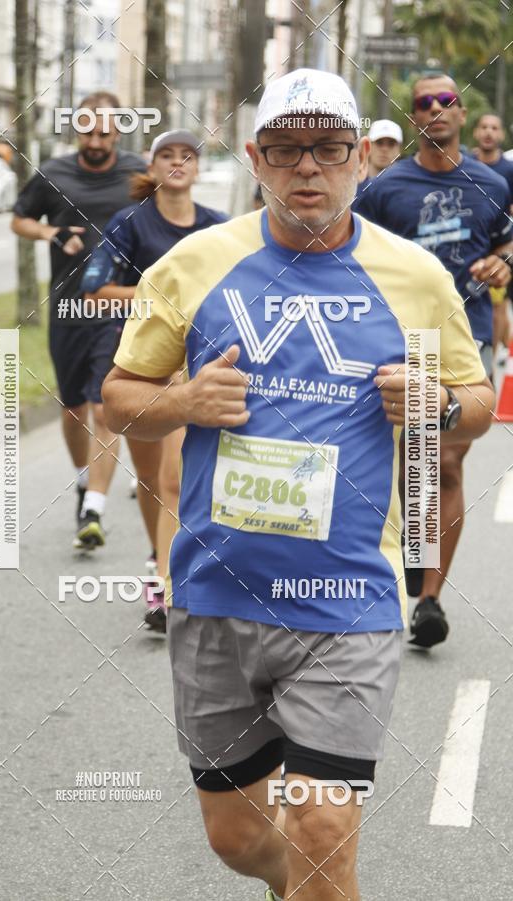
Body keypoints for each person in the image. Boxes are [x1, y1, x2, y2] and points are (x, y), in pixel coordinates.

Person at [103, 68, 493, 900]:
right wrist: (183, 400)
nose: (307, 167)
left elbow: (479, 405)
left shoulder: (417, 277)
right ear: (255, 158)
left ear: (359, 160)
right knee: (241, 837)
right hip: (215, 593)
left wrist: (437, 403)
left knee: (321, 831)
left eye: (328, 148)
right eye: (286, 149)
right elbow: (120, 400)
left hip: (348, 599)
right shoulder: (194, 263)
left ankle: (320, 878)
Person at [354, 73, 512, 648]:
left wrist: (504, 265)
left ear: (462, 114)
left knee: (442, 461)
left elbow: (505, 241)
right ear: (414, 115)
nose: (437, 110)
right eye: (425, 103)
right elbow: (350, 253)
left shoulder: (491, 181)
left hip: (465, 340)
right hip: (396, 342)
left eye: (447, 102)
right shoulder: (384, 188)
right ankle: (407, 557)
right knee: (400, 464)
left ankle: (429, 602)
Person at [80, 130, 228, 631]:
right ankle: (155, 558)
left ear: (198, 168)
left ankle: (165, 587)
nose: (177, 162)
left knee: (174, 478)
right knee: (149, 480)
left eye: (187, 155)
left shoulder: (218, 229)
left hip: (194, 367)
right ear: (153, 163)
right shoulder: (130, 223)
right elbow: (94, 290)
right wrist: (161, 305)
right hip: (142, 367)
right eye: (167, 154)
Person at [11, 91, 146, 550]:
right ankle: (83, 481)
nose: (96, 138)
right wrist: (49, 231)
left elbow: (163, 222)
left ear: (118, 132)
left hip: (118, 311)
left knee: (105, 405)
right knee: (72, 408)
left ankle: (94, 510)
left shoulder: (137, 173)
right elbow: (19, 219)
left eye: (105, 131)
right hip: (68, 308)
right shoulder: (55, 174)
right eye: (88, 129)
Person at [471, 113, 513, 360]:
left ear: (501, 135)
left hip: (498, 246)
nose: (488, 132)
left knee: (497, 302)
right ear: (476, 132)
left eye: (494, 128)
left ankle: (491, 356)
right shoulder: (463, 163)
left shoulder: (508, 170)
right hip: (468, 246)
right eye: (484, 126)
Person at [355, 119, 403, 199]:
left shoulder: (406, 186)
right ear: (367, 147)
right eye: (379, 143)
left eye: (391, 144)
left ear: (399, 150)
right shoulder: (352, 184)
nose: (384, 149)